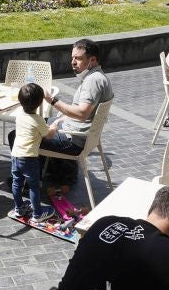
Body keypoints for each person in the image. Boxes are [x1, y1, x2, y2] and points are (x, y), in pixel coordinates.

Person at [35, 39, 114, 212]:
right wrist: (62, 116)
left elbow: (82, 113)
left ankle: (29, 181)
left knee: (21, 134)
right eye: (72, 57)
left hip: (73, 140)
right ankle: (45, 174)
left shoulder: (92, 81)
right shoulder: (96, 77)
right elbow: (83, 113)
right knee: (40, 124)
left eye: (77, 58)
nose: (72, 62)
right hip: (82, 134)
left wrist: (53, 101)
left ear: (92, 60)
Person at [9, 82, 55, 223]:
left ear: (20, 100)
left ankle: (19, 208)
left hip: (16, 155)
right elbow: (48, 135)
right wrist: (54, 126)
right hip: (29, 158)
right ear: (40, 102)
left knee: (17, 183)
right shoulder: (38, 120)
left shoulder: (20, 115)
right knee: (34, 186)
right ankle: (37, 214)